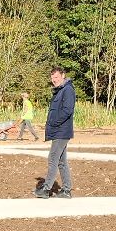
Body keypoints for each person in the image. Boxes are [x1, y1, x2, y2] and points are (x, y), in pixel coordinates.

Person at [36, 67, 75, 198]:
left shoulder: (67, 90)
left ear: (63, 76)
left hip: (61, 131)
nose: (54, 80)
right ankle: (66, 190)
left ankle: (46, 189)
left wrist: (54, 123)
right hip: (59, 131)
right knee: (61, 161)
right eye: (52, 78)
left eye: (56, 77)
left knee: (53, 158)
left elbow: (67, 110)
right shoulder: (60, 91)